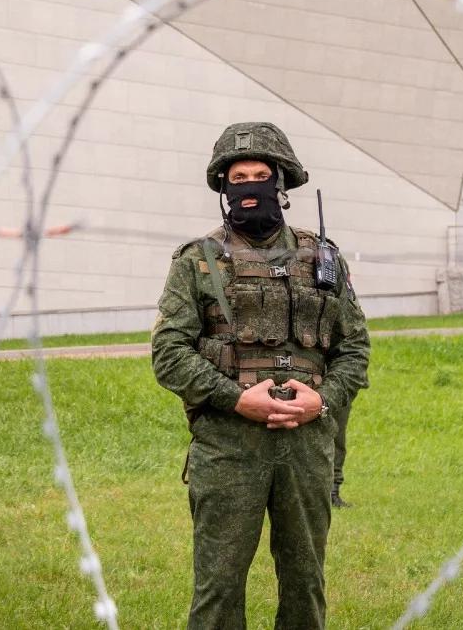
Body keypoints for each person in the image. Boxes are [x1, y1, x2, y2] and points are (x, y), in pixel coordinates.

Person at [151, 121, 370, 629]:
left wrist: (325, 400)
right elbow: (168, 352)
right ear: (225, 189)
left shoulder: (324, 258)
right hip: (228, 447)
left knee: (305, 583)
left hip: (307, 445)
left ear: (281, 184)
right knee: (219, 587)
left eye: (260, 174)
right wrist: (235, 398)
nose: (249, 186)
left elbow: (354, 348)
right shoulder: (196, 262)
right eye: (238, 177)